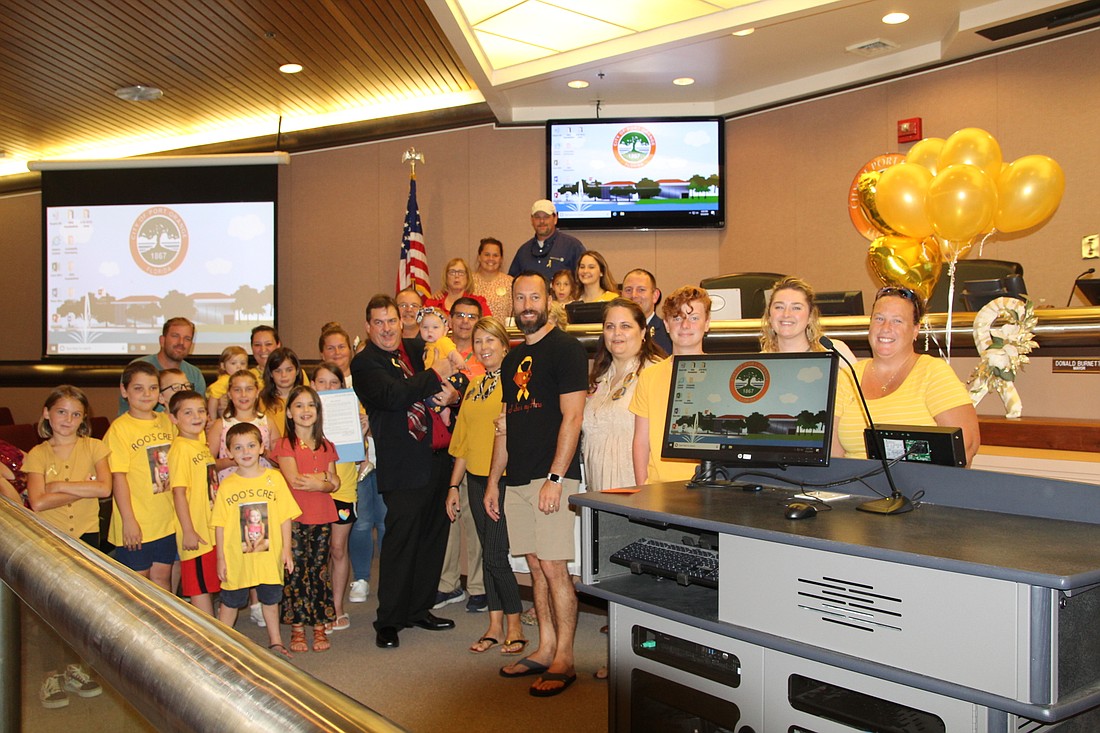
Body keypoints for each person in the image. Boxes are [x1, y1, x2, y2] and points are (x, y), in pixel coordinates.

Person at [488, 271, 587, 697]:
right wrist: (494, 482)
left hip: (553, 479)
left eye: (535, 296)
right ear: (512, 304)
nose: (527, 303)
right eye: (520, 297)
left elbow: (573, 417)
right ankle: (544, 646)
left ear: (549, 300)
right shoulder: (512, 359)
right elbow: (508, 424)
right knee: (533, 566)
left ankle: (565, 655)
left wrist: (555, 477)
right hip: (517, 479)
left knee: (555, 568)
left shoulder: (566, 348)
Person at [350, 294, 461, 649]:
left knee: (432, 538)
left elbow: (452, 369)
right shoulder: (366, 363)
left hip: (438, 457)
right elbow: (396, 396)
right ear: (368, 327)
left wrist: (452, 394)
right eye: (378, 322)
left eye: (392, 321)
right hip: (404, 464)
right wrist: (436, 375)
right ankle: (390, 620)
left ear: (402, 322)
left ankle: (419, 608)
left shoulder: (415, 349)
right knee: (400, 542)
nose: (386, 329)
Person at [23, 385, 109, 708]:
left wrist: (58, 485)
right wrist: (81, 488)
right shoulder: (37, 454)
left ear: (83, 419)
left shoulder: (95, 447)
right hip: (52, 538)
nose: (68, 420)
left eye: (76, 414)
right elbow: (39, 501)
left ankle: (77, 668)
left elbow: (103, 488)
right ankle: (50, 673)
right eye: (61, 412)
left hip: (87, 537)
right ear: (47, 413)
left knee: (81, 608)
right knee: (51, 609)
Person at [446, 317, 526, 653]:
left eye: (491, 341)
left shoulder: (517, 384)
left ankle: (516, 625)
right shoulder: (476, 386)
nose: (484, 347)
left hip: (504, 480)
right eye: (479, 342)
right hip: (476, 480)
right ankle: (494, 624)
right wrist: (453, 487)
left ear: (505, 345)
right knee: (486, 555)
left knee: (495, 556)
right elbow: (462, 444)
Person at [831, 286, 981, 465]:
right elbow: (833, 456)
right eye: (879, 319)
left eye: (897, 321)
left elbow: (966, 446)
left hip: (919, 489)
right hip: (856, 487)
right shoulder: (847, 376)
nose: (886, 328)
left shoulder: (933, 372)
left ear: (915, 330)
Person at [212, 422, 300, 659]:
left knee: (271, 600)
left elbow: (285, 518)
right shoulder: (227, 485)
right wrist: (220, 558)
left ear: (262, 447)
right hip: (236, 558)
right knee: (230, 602)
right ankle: (220, 644)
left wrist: (287, 551)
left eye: (251, 445)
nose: (246, 452)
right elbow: (219, 523)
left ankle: (276, 642)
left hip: (268, 556)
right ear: (229, 452)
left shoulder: (275, 479)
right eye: (238, 448)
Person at [270, 385, 340, 653]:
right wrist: (323, 480)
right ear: (289, 412)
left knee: (320, 571)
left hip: (322, 515)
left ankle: (319, 625)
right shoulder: (284, 445)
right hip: (294, 518)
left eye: (311, 405)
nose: (305, 411)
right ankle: (297, 628)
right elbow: (295, 480)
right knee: (296, 572)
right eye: (298, 405)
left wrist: (322, 482)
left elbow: (336, 482)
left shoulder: (326, 445)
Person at [105, 361, 178, 590]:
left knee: (161, 578)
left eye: (153, 388)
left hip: (165, 520)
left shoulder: (167, 422)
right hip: (136, 520)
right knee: (138, 582)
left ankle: (164, 626)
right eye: (138, 388)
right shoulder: (119, 429)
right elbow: (118, 477)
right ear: (124, 390)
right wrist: (128, 521)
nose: (147, 394)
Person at [631, 286, 712, 485]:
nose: (685, 325)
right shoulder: (649, 376)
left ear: (707, 324)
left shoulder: (722, 374)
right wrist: (643, 489)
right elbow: (641, 442)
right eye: (677, 318)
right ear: (666, 325)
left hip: (708, 488)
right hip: (659, 489)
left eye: (694, 318)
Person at [435, 298, 487, 611]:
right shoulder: (439, 352)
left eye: (472, 316)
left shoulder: (485, 355)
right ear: (450, 320)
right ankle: (447, 584)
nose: (465, 321)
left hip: (476, 447)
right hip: (444, 445)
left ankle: (478, 587)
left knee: (475, 516)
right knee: (448, 515)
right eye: (460, 315)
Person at [585, 299, 665, 492]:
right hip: (598, 492)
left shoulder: (655, 372)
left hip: (636, 492)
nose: (616, 333)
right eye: (610, 326)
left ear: (643, 332)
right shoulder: (599, 379)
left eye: (626, 326)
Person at [311, 361, 361, 632]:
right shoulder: (302, 414)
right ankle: (319, 607)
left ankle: (337, 607)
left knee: (338, 549)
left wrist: (363, 430)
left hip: (343, 488)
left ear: (342, 386)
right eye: (322, 382)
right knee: (317, 551)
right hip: (313, 490)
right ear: (312, 385)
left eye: (334, 382)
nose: (328, 388)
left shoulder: (351, 410)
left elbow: (360, 452)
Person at [167, 390, 219, 616]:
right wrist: (188, 530)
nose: (196, 416)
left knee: (208, 583)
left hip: (210, 529)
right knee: (198, 587)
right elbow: (178, 493)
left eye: (201, 411)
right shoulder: (180, 449)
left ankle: (214, 630)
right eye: (188, 412)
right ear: (173, 418)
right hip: (196, 532)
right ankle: (209, 636)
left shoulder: (201, 445)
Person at [119, 317, 206, 415]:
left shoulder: (195, 374)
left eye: (187, 338)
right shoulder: (139, 368)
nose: (181, 342)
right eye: (175, 336)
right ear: (162, 340)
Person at [760, 276, 857, 364]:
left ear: (810, 316)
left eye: (796, 308)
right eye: (779, 307)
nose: (786, 314)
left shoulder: (836, 352)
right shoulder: (759, 363)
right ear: (769, 315)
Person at [207, 370, 278, 480]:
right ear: (230, 394)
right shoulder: (220, 425)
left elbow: (280, 460)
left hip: (264, 485)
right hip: (231, 487)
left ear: (257, 392)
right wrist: (232, 461)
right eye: (237, 390)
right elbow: (208, 464)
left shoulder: (268, 422)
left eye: (249, 389)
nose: (243, 394)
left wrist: (263, 453)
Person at [508, 200, 586, 279]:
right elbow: (512, 282)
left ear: (555, 218)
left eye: (546, 217)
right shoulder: (523, 251)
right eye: (537, 217)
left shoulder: (572, 246)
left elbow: (585, 279)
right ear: (532, 220)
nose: (542, 221)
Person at [621, 268, 672, 355]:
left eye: (641, 290)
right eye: (628, 290)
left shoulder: (669, 334)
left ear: (655, 296)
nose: (634, 295)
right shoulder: (611, 336)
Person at [260, 347, 305, 436]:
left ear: (297, 371)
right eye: (278, 371)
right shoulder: (261, 400)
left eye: (289, 370)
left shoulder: (306, 398)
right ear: (271, 374)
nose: (284, 375)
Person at [426, 257, 490, 316]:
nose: (456, 276)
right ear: (446, 277)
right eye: (452, 272)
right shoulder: (434, 302)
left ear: (467, 277)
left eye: (461, 272)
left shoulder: (478, 302)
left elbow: (489, 326)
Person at [470, 237, 513, 321]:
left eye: (495, 255)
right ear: (479, 257)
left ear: (501, 259)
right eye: (487, 254)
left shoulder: (510, 282)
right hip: (474, 333)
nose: (491, 259)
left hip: (502, 333)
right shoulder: (468, 281)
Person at [206, 346, 249, 421]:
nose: (239, 367)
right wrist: (213, 418)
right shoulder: (225, 380)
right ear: (223, 366)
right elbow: (213, 398)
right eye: (233, 363)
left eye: (242, 363)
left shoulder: (246, 379)